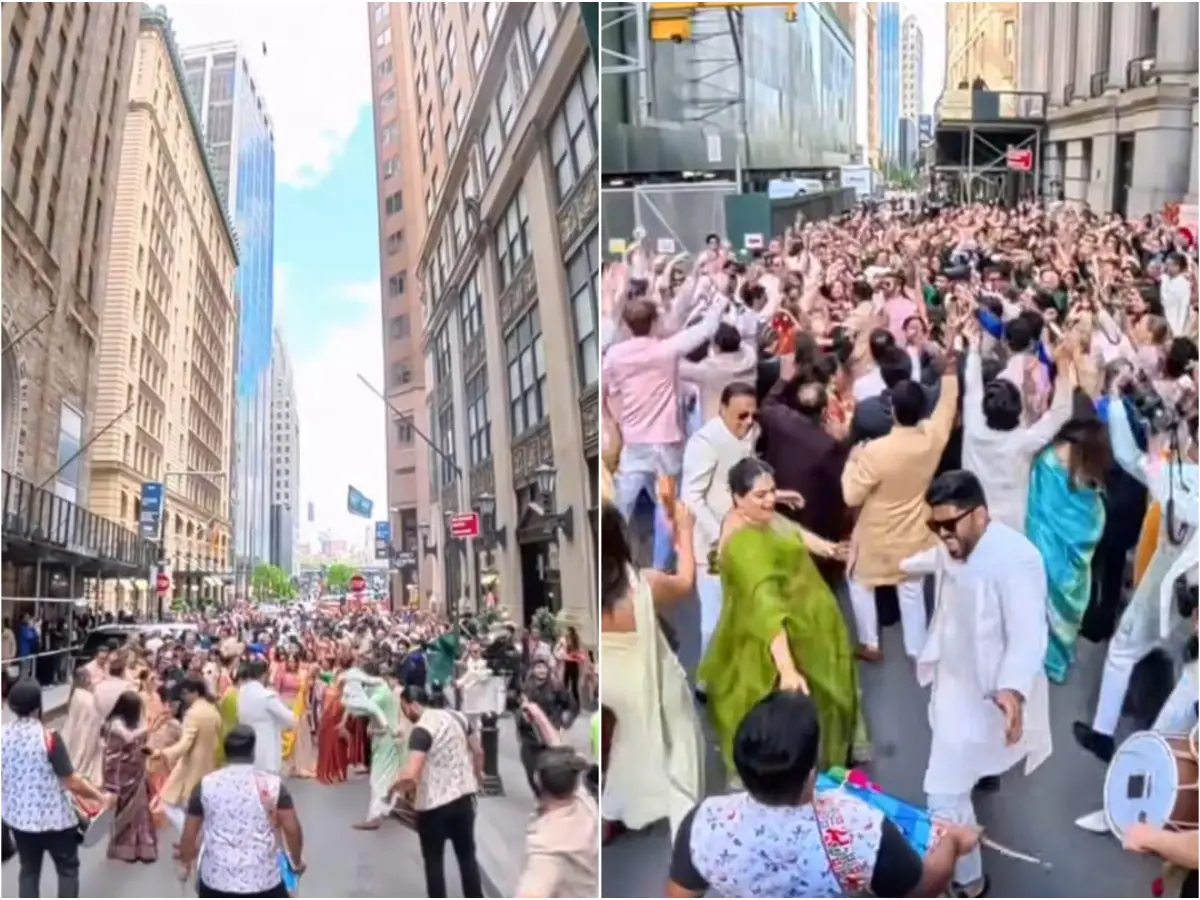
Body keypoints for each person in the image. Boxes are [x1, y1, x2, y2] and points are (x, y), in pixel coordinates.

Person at [899, 471, 1052, 898]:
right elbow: (939, 560)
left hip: (986, 695)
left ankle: (969, 882)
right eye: (935, 526)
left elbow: (1028, 634)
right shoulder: (955, 541)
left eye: (949, 525)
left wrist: (1012, 689)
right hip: (951, 682)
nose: (942, 535)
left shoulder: (1017, 559)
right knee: (960, 769)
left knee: (941, 794)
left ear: (981, 515)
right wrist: (901, 566)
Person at [665, 691, 979, 898]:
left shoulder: (703, 823)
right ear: (812, 773)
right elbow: (919, 888)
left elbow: (679, 894)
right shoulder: (859, 829)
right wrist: (952, 843)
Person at [701, 457, 862, 773]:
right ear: (737, 499)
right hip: (772, 641)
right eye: (761, 495)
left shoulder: (762, 517)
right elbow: (767, 610)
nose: (770, 500)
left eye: (772, 491)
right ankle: (795, 773)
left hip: (811, 620)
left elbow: (793, 531)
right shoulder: (743, 545)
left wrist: (829, 549)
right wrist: (787, 668)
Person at [842, 355, 960, 662]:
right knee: (911, 589)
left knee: (859, 582)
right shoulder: (932, 438)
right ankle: (917, 649)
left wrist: (852, 460)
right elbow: (947, 405)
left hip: (876, 535)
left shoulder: (874, 452)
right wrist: (950, 370)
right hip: (916, 530)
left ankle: (870, 643)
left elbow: (851, 496)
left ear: (892, 410)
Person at [600, 501, 705, 842]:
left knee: (623, 748)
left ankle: (609, 814)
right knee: (682, 746)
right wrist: (685, 533)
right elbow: (686, 582)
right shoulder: (643, 586)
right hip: (652, 681)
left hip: (613, 690)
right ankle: (685, 830)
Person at [1, 678, 110, 898]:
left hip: (19, 820)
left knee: (29, 871)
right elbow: (71, 781)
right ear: (37, 706)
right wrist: (100, 797)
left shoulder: (2, 734)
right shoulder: (49, 738)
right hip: (55, 822)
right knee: (67, 869)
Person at [1026, 415, 1110, 683]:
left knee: (1035, 612)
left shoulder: (1046, 460)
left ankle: (1035, 657)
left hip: (1039, 550)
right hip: (1069, 569)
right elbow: (1092, 529)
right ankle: (1056, 662)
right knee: (1064, 613)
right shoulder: (1090, 488)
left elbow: (1034, 504)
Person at [177, 725, 305, 899]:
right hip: (263, 881)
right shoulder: (272, 784)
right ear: (253, 752)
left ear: (226, 752)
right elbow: (291, 829)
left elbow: (189, 834)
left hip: (216, 882)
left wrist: (185, 863)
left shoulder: (205, 785)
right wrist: (296, 863)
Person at [680, 381, 760, 656]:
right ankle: (705, 679)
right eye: (742, 416)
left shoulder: (749, 435)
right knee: (712, 619)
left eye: (753, 415)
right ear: (722, 409)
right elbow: (691, 497)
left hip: (745, 537)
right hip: (711, 548)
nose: (749, 422)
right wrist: (719, 533)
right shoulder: (704, 442)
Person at [394, 684, 485, 898]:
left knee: (434, 864)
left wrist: (395, 789)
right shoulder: (458, 717)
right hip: (463, 801)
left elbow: (411, 774)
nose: (405, 714)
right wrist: (477, 777)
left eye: (404, 708)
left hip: (433, 807)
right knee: (468, 859)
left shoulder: (421, 730)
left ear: (412, 705)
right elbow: (478, 751)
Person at [514, 702, 598, 899]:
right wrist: (538, 714)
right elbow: (559, 748)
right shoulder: (583, 800)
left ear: (537, 782)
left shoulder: (547, 850)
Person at [153, 674, 223, 835]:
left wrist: (161, 753)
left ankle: (191, 836)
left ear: (195, 693)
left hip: (190, 766)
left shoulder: (193, 714)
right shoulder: (212, 709)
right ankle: (198, 837)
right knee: (196, 807)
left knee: (168, 801)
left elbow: (184, 744)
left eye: (185, 693)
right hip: (209, 763)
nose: (183, 698)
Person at [342, 660, 405, 830]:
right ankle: (391, 807)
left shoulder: (379, 694)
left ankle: (375, 816)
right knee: (389, 776)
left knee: (378, 778)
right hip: (386, 737)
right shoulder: (380, 688)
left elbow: (361, 709)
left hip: (386, 739)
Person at [101, 690, 156, 863]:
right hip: (119, 773)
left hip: (133, 769)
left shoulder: (123, 722)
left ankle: (138, 848)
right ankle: (123, 848)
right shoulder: (116, 724)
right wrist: (148, 728)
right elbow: (129, 739)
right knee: (126, 810)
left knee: (139, 810)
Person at [238, 658, 296, 775]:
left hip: (247, 745)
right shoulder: (268, 696)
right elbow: (290, 719)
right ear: (264, 675)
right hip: (266, 748)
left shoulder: (242, 692)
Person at [59, 666, 104, 788]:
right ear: (86, 679)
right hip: (87, 731)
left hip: (74, 730)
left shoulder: (74, 695)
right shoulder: (88, 698)